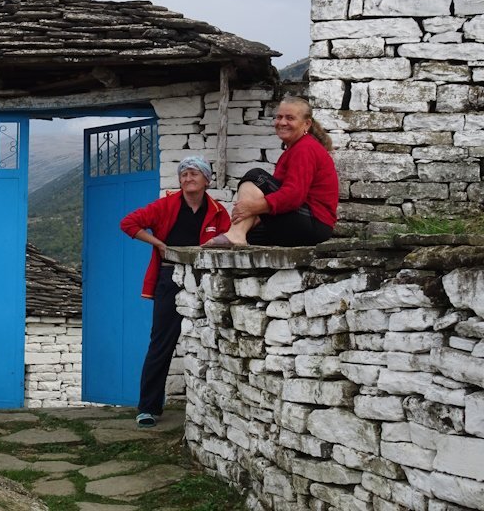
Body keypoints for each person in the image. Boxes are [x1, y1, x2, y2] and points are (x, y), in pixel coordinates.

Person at [120, 156, 230, 427]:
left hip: (204, 280)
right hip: (169, 278)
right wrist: (157, 243)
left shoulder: (218, 211)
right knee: (161, 343)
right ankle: (148, 408)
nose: (188, 178)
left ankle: (212, 404)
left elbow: (230, 238)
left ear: (207, 179)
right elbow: (129, 223)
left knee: (211, 339)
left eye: (194, 174)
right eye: (184, 174)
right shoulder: (165, 205)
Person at [205, 96, 339, 247]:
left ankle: (236, 234)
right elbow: (278, 196)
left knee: (256, 176)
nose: (282, 122)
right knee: (251, 235)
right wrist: (248, 215)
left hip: (314, 223)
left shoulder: (305, 148)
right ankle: (238, 233)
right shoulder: (292, 150)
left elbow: (294, 195)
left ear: (306, 124)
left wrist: (252, 207)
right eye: (279, 117)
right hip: (304, 222)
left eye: (290, 118)